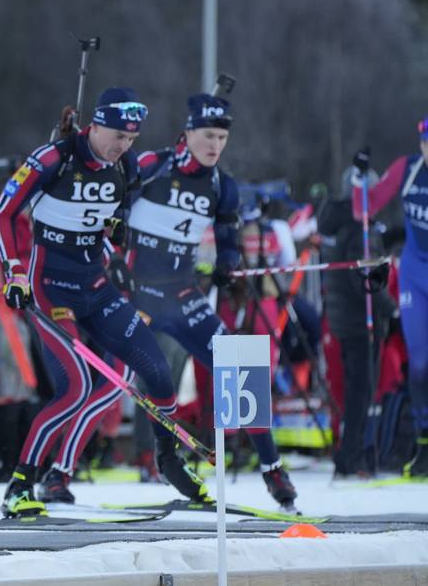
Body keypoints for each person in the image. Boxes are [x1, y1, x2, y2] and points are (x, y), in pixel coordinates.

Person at [40, 94, 298, 509]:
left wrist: (228, 263)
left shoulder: (222, 186)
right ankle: (58, 473)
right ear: (189, 133)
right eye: (209, 136)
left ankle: (273, 470)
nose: (216, 146)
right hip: (137, 295)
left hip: (183, 297)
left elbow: (228, 240)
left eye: (222, 138)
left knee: (241, 365)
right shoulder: (149, 165)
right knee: (112, 384)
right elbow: (105, 196)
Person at [0, 87, 208, 517]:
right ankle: (21, 483)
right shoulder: (54, 158)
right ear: (97, 124)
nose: (122, 146)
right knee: (75, 389)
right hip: (51, 289)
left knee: (157, 370)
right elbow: (3, 214)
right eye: (116, 136)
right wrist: (14, 271)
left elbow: (108, 220)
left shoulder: (124, 164)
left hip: (96, 286)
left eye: (130, 139)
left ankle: (168, 460)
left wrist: (117, 248)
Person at [350, 121, 428, 478]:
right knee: (420, 362)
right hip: (414, 272)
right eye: (426, 143)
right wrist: (358, 176)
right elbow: (364, 209)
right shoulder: (408, 168)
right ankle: (423, 443)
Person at [318, 167, 394, 477]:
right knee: (362, 393)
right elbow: (366, 281)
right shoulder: (360, 230)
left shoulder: (338, 223)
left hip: (343, 319)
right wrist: (393, 310)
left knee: (356, 390)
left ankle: (352, 456)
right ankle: (353, 458)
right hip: (360, 322)